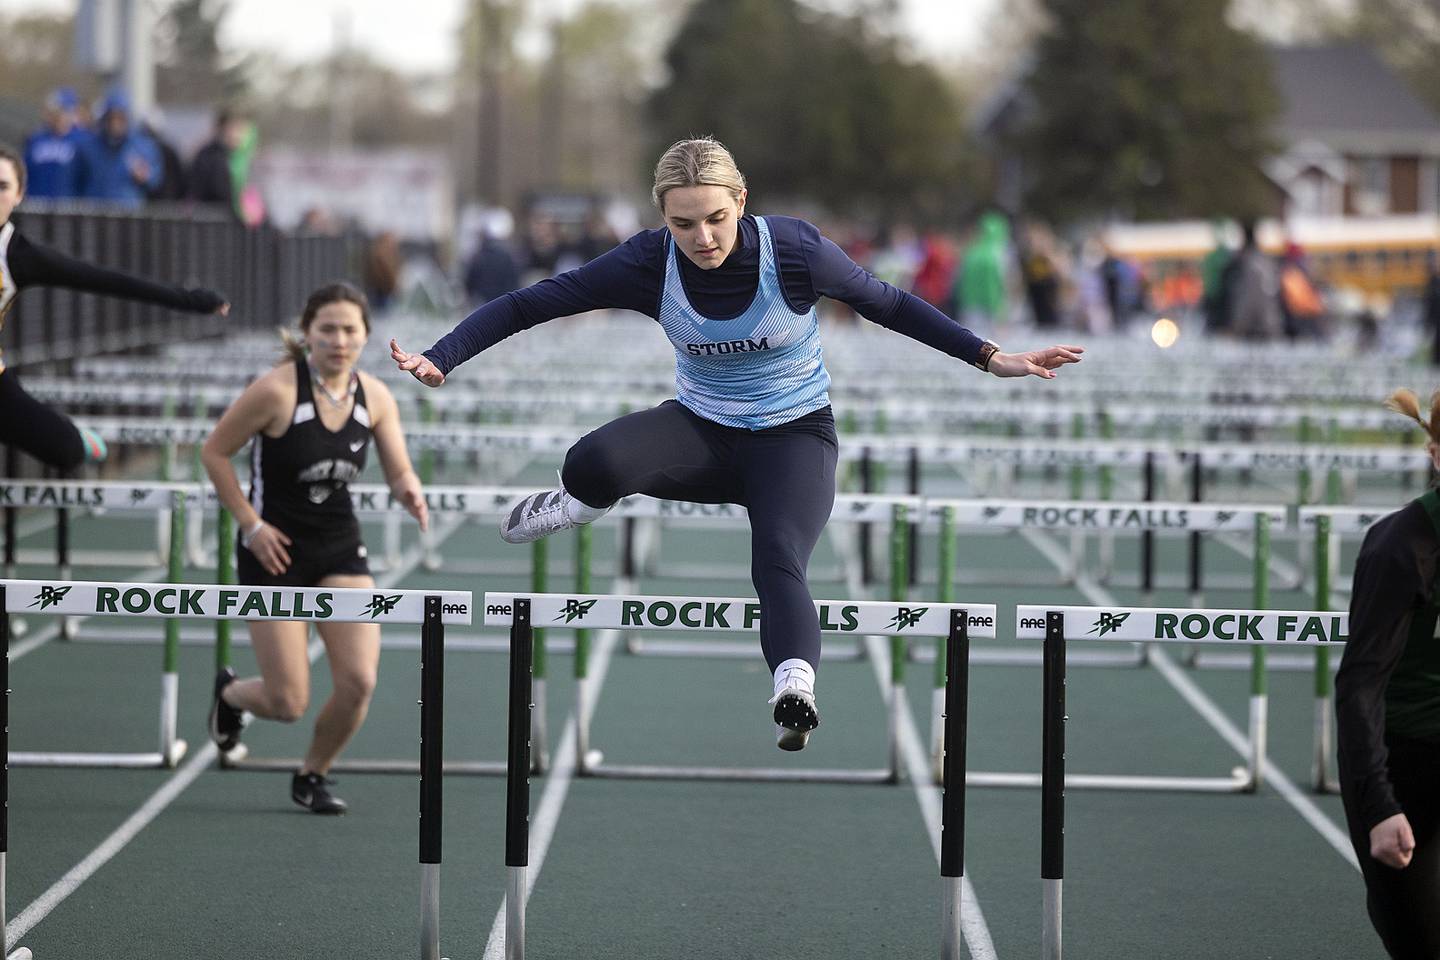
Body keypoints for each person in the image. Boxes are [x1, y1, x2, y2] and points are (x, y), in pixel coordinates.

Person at [391, 137, 1082, 752]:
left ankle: (795, 689)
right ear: (662, 216)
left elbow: (890, 304)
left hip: (792, 440)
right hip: (701, 432)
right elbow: (531, 302)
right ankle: (577, 506)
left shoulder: (796, 250)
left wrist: (991, 357)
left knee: (779, 559)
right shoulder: (646, 262)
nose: (702, 236)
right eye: (682, 222)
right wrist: (443, 355)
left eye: (716, 218)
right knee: (589, 462)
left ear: (741, 202)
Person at [202, 282, 427, 814]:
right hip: (273, 551)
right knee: (287, 702)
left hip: (339, 549)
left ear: (366, 336)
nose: (339, 340)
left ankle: (313, 775)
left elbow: (398, 468)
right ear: (307, 333)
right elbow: (214, 453)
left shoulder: (375, 396)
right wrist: (251, 525)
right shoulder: (276, 391)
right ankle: (232, 695)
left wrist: (410, 491)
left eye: (350, 330)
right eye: (327, 329)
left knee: (359, 682)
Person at [0, 144, 228, 470]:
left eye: (2, 187)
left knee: (65, 452)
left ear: (20, 194)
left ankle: (75, 437)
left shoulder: (18, 255)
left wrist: (189, 299)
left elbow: (106, 280)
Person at [1336, 386, 1440, 959]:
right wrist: (1379, 805)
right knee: (1419, 939)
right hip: (1405, 766)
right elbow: (1360, 684)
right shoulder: (1401, 547)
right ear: (1436, 455)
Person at [80, 89, 162, 206]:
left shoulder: (143, 146)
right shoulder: (88, 146)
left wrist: (145, 177)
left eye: (120, 118)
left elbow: (156, 180)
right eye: (111, 117)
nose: (115, 123)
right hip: (95, 213)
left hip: (127, 214)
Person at [22, 87, 91, 201]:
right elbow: (26, 172)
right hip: (36, 207)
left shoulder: (83, 140)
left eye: (63, 111)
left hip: (70, 208)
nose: (59, 116)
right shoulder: (36, 139)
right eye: (55, 112)